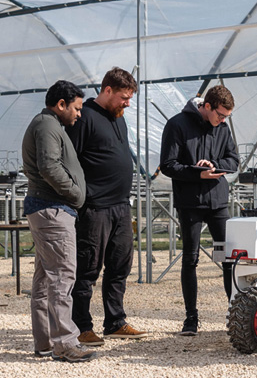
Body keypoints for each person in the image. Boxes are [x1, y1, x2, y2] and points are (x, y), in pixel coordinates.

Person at [65, 67, 148, 346]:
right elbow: (70, 161)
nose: (127, 103)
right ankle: (81, 326)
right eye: (124, 97)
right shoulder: (85, 116)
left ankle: (115, 321)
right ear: (107, 90)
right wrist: (81, 198)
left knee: (119, 266)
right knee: (88, 269)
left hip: (121, 207)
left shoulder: (118, 118)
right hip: (95, 207)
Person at [22, 80, 96, 362]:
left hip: (47, 208)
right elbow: (49, 165)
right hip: (52, 209)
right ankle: (65, 343)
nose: (79, 114)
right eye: (76, 108)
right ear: (61, 104)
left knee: (44, 278)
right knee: (62, 277)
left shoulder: (49, 124)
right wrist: (76, 193)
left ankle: (44, 342)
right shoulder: (47, 125)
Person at [159, 85, 240, 336]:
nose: (223, 120)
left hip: (217, 202)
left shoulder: (223, 129)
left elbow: (234, 161)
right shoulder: (177, 125)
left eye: (226, 116)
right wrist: (197, 172)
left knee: (227, 258)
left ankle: (234, 314)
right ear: (207, 106)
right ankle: (191, 319)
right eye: (220, 115)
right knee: (190, 258)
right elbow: (168, 165)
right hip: (190, 202)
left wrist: (214, 165)